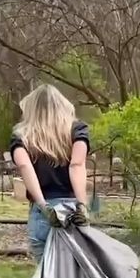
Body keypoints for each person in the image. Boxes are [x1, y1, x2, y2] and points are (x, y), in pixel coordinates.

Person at [10, 84, 90, 262]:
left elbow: (24, 166)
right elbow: (76, 165)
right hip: (73, 212)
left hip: (42, 214)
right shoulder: (77, 130)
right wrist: (82, 206)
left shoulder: (21, 136)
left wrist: (43, 205)